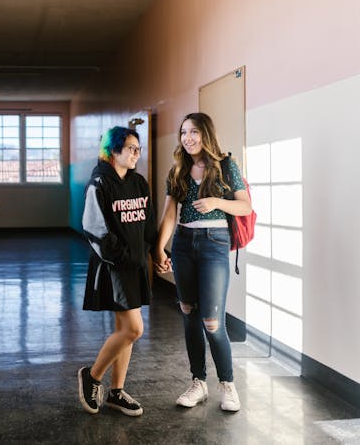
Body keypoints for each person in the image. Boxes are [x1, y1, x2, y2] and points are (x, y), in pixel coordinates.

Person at [154, 112, 251, 412]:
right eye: (183, 132)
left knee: (212, 321)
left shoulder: (225, 166)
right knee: (189, 314)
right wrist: (159, 248)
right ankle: (198, 383)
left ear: (206, 134)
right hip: (183, 244)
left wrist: (216, 203)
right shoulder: (178, 170)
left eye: (194, 132)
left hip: (214, 244)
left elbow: (244, 205)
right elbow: (170, 213)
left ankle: (228, 385)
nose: (188, 138)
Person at [78, 126, 157, 417]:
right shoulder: (99, 183)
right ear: (114, 152)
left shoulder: (138, 183)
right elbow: (94, 229)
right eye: (131, 149)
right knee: (135, 329)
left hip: (134, 265)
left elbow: (147, 223)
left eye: (139, 149)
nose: (137, 154)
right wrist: (124, 257)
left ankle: (116, 392)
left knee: (125, 330)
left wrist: (150, 251)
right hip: (114, 266)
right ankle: (93, 376)